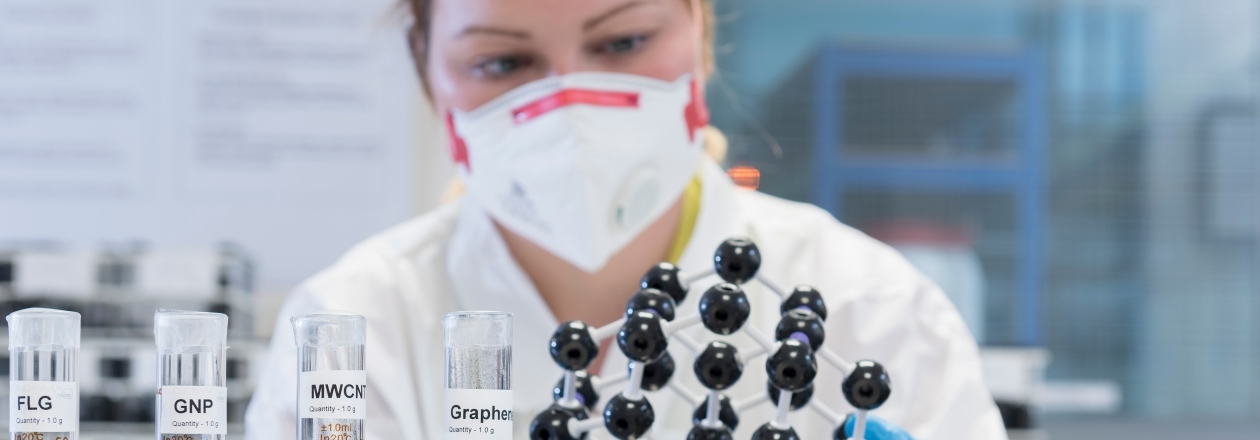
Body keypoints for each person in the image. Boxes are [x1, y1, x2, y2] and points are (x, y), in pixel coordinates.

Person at [246, 0, 1007, 439]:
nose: (571, 107)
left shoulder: (874, 317)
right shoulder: (353, 329)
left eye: (623, 41)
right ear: (426, 69)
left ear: (699, 31)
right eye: (503, 64)